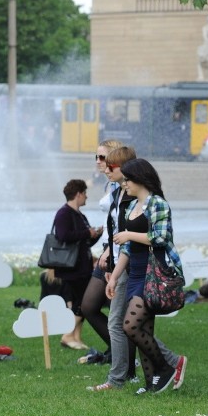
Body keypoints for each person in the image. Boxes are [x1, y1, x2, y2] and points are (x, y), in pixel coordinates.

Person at [90, 147, 184, 392]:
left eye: (128, 179)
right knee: (143, 327)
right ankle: (151, 382)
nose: (125, 184)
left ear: (139, 179)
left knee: (129, 326)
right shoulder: (134, 207)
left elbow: (162, 238)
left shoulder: (157, 204)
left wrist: (129, 234)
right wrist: (114, 277)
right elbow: (129, 248)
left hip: (154, 272)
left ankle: (167, 366)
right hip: (135, 272)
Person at [78, 139, 124, 364]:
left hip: (116, 252)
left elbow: (121, 222)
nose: (98, 161)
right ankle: (117, 351)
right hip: (108, 250)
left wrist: (109, 250)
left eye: (102, 157)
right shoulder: (110, 183)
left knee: (118, 313)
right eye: (96, 157)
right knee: (88, 306)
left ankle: (124, 357)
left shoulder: (123, 183)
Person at [52, 179, 103, 351]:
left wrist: (95, 235)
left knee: (79, 303)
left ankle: (76, 337)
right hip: (71, 268)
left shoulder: (80, 215)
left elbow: (84, 242)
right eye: (85, 193)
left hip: (82, 266)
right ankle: (67, 335)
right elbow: (63, 235)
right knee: (84, 302)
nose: (86, 197)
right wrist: (86, 232)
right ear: (78, 194)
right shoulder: (63, 214)